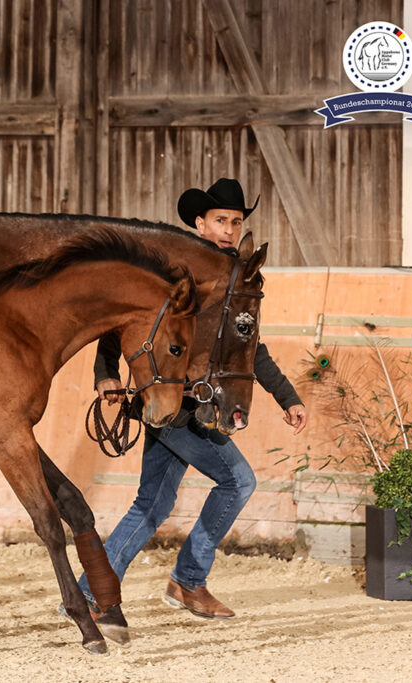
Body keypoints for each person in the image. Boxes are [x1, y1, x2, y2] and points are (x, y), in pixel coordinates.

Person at [77, 178, 307, 619]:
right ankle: (188, 581)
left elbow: (249, 348)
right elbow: (123, 320)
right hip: (171, 404)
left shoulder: (240, 278)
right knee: (238, 481)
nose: (228, 229)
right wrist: (105, 373)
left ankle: (92, 590)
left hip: (199, 407)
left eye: (236, 222)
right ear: (200, 223)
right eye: (220, 220)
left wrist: (286, 396)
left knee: (152, 504)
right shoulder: (172, 271)